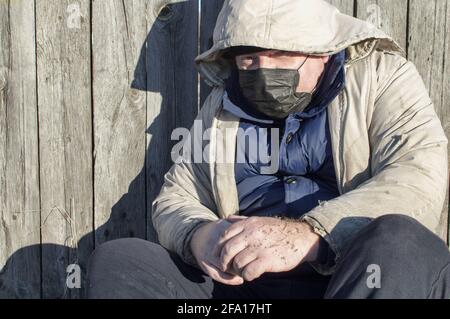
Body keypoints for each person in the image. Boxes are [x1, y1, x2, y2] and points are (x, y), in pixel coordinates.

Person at [87, 0, 450, 299]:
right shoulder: (222, 103)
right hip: (243, 288)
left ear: (322, 52)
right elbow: (176, 195)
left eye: (280, 55)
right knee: (120, 260)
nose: (263, 71)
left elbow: (417, 177)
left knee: (400, 243)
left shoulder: (382, 78)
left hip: (349, 277)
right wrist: (199, 235)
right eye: (249, 59)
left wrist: (310, 235)